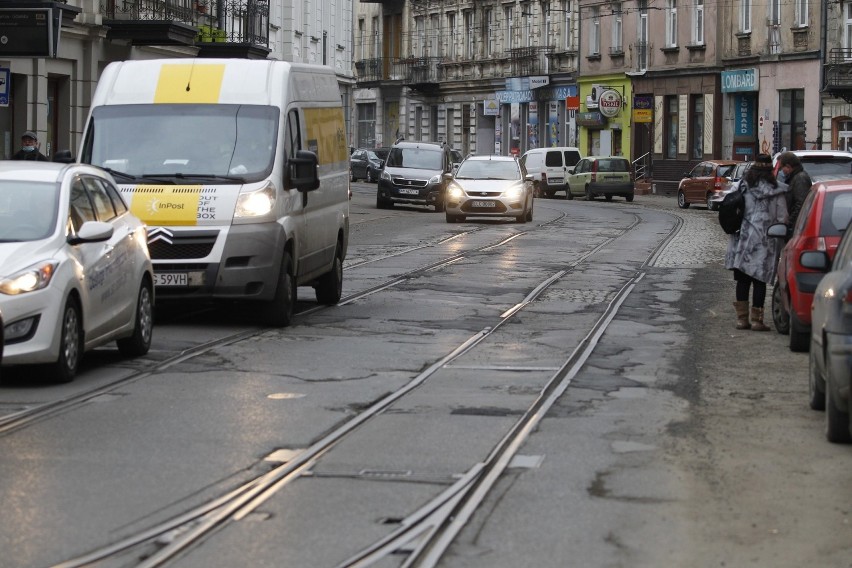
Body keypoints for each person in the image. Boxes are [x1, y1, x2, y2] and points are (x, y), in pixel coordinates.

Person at [724, 153, 788, 331]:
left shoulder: (742, 186)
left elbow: (730, 206)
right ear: (770, 170)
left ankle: (742, 320)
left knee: (742, 280)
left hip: (742, 239)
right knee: (759, 280)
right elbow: (782, 217)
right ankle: (757, 321)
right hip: (764, 240)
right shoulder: (777, 191)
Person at [776, 151, 812, 234]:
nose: (782, 171)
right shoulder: (795, 177)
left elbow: (800, 204)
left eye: (782, 168)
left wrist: (790, 222)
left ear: (788, 166)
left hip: (796, 227)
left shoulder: (800, 178)